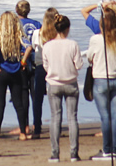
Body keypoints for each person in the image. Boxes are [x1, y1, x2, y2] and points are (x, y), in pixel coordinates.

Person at [0, 11, 33, 142]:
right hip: (16, 71)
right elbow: (29, 47)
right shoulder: (18, 34)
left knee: (0, 104)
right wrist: (23, 61)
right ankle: (23, 133)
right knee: (18, 103)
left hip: (1, 71)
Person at [43, 14, 83, 162]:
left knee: (55, 118)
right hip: (71, 83)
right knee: (72, 118)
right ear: (67, 28)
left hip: (54, 84)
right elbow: (79, 65)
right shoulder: (73, 44)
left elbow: (46, 66)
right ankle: (74, 153)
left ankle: (55, 153)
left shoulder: (47, 45)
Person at [87, 6, 116, 160]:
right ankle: (114, 149)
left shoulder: (96, 39)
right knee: (115, 116)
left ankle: (107, 149)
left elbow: (90, 57)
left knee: (105, 117)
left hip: (101, 79)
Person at [30, 7, 58, 139]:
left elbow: (35, 48)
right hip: (55, 65)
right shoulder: (58, 33)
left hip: (41, 65)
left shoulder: (38, 33)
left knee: (38, 98)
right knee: (56, 96)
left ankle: (37, 126)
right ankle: (56, 124)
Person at [16, 0, 42, 136]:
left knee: (23, 93)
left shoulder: (15, 24)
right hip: (36, 59)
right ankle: (37, 124)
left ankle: (25, 126)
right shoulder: (37, 24)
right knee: (35, 94)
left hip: (22, 60)